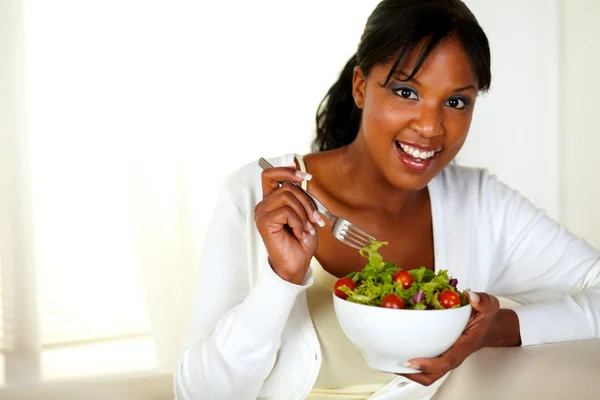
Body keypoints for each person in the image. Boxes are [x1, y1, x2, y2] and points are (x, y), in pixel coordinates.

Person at [173, 0, 600, 399]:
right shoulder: (258, 195)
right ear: (361, 87)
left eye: (456, 101)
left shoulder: (484, 207)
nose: (431, 126)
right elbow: (197, 392)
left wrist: (497, 329)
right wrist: (280, 278)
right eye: (406, 92)